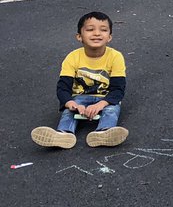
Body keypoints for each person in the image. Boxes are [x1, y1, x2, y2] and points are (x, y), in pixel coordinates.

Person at [31, 11, 128, 149]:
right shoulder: (72, 57)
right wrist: (71, 104)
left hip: (105, 98)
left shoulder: (116, 57)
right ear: (79, 36)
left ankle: (104, 132)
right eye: (90, 29)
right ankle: (63, 134)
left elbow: (118, 89)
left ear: (109, 37)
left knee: (112, 109)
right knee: (68, 111)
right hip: (80, 98)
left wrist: (101, 104)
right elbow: (63, 88)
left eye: (103, 30)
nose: (96, 33)